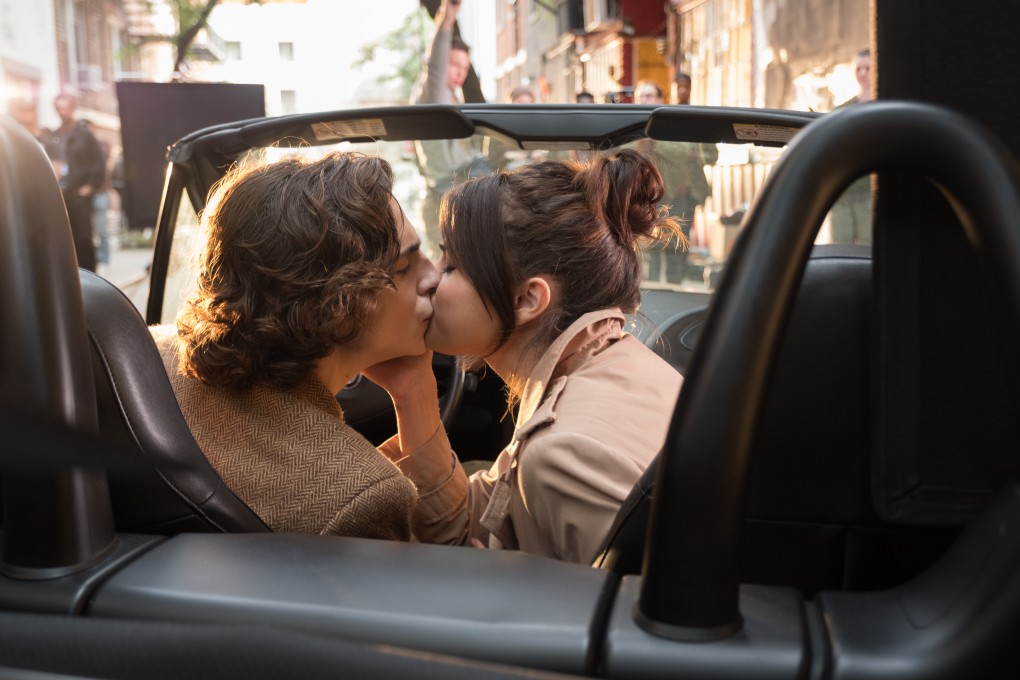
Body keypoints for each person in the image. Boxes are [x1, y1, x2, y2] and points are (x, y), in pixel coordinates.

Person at [369, 149, 685, 564]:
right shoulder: (615, 365)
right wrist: (413, 390)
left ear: (526, 299)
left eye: (450, 265)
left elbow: (630, 617)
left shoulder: (561, 453)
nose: (429, 276)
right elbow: (474, 523)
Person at [151, 152, 440, 540]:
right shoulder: (362, 498)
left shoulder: (145, 351)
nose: (434, 274)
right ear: (337, 306)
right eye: (404, 268)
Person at [412, 0, 488, 258]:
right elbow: (435, 64)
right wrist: (446, 18)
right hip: (444, 196)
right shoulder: (434, 94)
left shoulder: (454, 100)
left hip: (461, 194)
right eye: (455, 64)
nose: (461, 73)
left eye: (465, 68)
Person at [633, 78, 718, 284]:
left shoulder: (671, 122)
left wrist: (655, 143)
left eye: (650, 95)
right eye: (642, 96)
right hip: (644, 197)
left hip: (678, 195)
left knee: (676, 247)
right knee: (650, 249)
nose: (646, 100)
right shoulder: (631, 125)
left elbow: (688, 153)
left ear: (660, 99)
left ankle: (674, 288)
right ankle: (650, 291)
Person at [38, 93, 106, 271]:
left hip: (80, 195)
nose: (63, 112)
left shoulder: (84, 135)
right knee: (65, 239)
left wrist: (90, 186)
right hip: (61, 195)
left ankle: (90, 274)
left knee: (83, 238)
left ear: (73, 108)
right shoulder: (54, 136)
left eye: (66, 107)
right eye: (60, 108)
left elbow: (98, 161)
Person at [830, 49, 873, 245]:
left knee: (868, 251)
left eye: (868, 68)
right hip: (844, 192)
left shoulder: (885, 107)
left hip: (869, 194)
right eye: (859, 68)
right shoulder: (843, 110)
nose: (862, 73)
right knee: (840, 249)